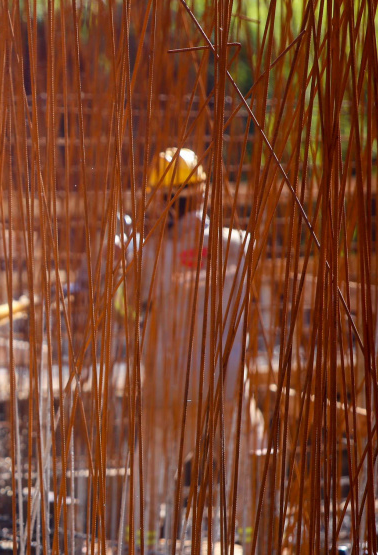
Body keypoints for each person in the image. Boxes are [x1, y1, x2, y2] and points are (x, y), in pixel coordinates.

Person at [114, 148, 265, 548]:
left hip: (168, 391)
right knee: (241, 486)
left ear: (162, 199)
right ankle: (251, 545)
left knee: (148, 487)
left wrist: (124, 262)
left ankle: (140, 547)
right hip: (227, 389)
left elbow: (127, 308)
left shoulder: (149, 254)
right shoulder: (240, 246)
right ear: (203, 195)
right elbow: (254, 311)